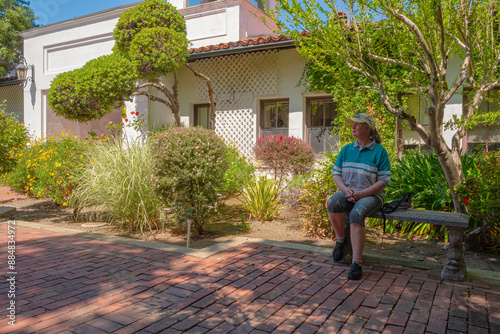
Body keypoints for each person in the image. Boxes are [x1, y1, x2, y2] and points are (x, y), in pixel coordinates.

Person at [327, 113, 391, 280]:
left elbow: (384, 181)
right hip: (348, 191)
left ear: (368, 128)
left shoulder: (379, 151)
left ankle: (356, 263)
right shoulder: (347, 149)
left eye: (357, 124)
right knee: (333, 203)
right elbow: (336, 174)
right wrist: (345, 190)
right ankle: (340, 241)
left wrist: (362, 194)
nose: (353, 127)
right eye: (352, 124)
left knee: (356, 214)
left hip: (372, 195)